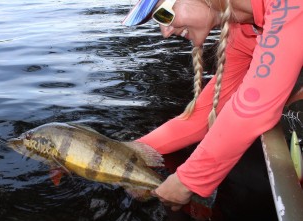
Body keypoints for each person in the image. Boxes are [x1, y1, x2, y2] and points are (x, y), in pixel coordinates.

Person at [122, 0, 303, 212]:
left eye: (164, 14)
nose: (166, 32)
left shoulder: (288, 5)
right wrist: (124, 152)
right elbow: (202, 116)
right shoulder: (242, 30)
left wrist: (187, 180)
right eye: (158, 21)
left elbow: (253, 108)